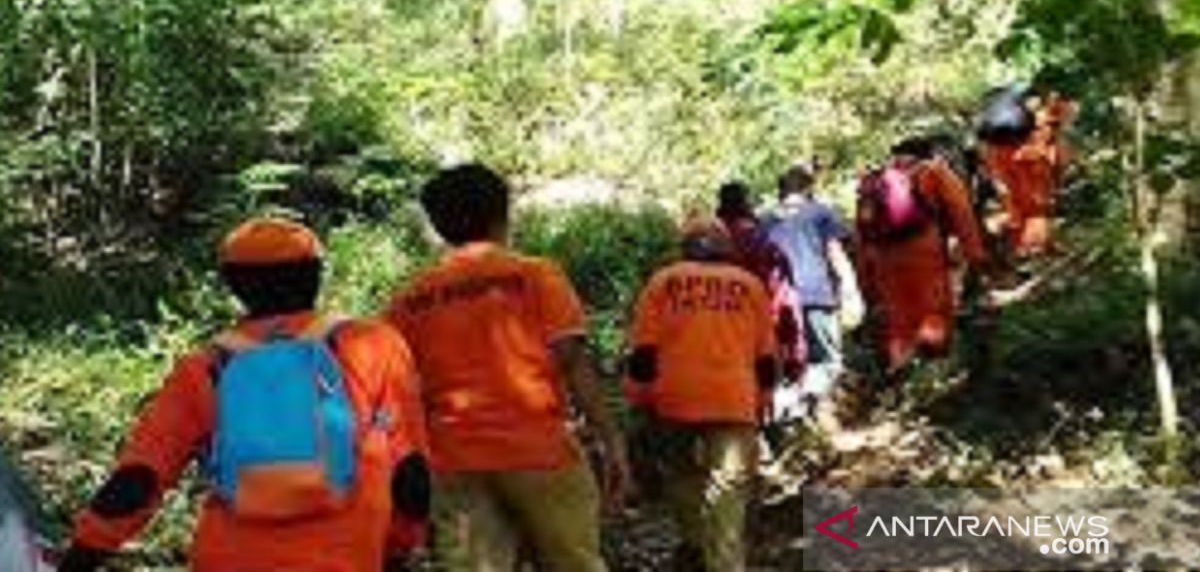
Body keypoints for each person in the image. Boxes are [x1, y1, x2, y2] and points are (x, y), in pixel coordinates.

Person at [60, 218, 430, 572]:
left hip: (229, 559)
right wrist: (398, 549)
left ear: (233, 285)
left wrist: (81, 558)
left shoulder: (205, 368)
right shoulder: (374, 345)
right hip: (343, 558)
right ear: (316, 274)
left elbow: (138, 480)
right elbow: (411, 472)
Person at [386, 163, 628, 572]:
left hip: (454, 458)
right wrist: (611, 439)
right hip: (539, 450)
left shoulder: (408, 300)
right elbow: (572, 362)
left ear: (439, 226)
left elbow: (398, 386)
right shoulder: (536, 276)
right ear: (503, 214)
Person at [624, 218, 776, 572]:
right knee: (728, 488)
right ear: (726, 248)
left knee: (680, 474)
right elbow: (766, 356)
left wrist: (639, 399)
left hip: (674, 399)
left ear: (685, 246)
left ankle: (693, 543)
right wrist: (764, 397)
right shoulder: (750, 285)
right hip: (735, 400)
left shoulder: (663, 282)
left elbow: (644, 351)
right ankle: (723, 561)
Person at [857, 138, 990, 376]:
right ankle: (933, 369)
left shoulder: (875, 181)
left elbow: (862, 235)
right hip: (923, 251)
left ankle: (899, 368)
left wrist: (865, 281)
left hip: (883, 259)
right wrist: (975, 254)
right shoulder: (932, 171)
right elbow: (961, 212)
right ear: (926, 154)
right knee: (932, 307)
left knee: (897, 317)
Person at [762, 165, 861, 426]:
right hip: (816, 295)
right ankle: (815, 414)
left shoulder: (765, 218)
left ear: (781, 189)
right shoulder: (820, 213)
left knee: (786, 363)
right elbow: (834, 250)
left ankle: (788, 421)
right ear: (808, 188)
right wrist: (850, 285)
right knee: (826, 359)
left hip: (778, 301)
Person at [715, 182, 802, 388]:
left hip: (715, 333)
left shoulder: (706, 242)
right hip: (758, 330)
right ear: (747, 205)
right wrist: (795, 356)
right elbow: (784, 301)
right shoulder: (762, 244)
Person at [979, 89, 1074, 258]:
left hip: (1002, 158)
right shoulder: (1043, 122)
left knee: (1018, 205)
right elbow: (1052, 154)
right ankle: (1027, 246)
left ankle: (1029, 246)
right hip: (1025, 160)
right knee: (1033, 204)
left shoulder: (1017, 123)